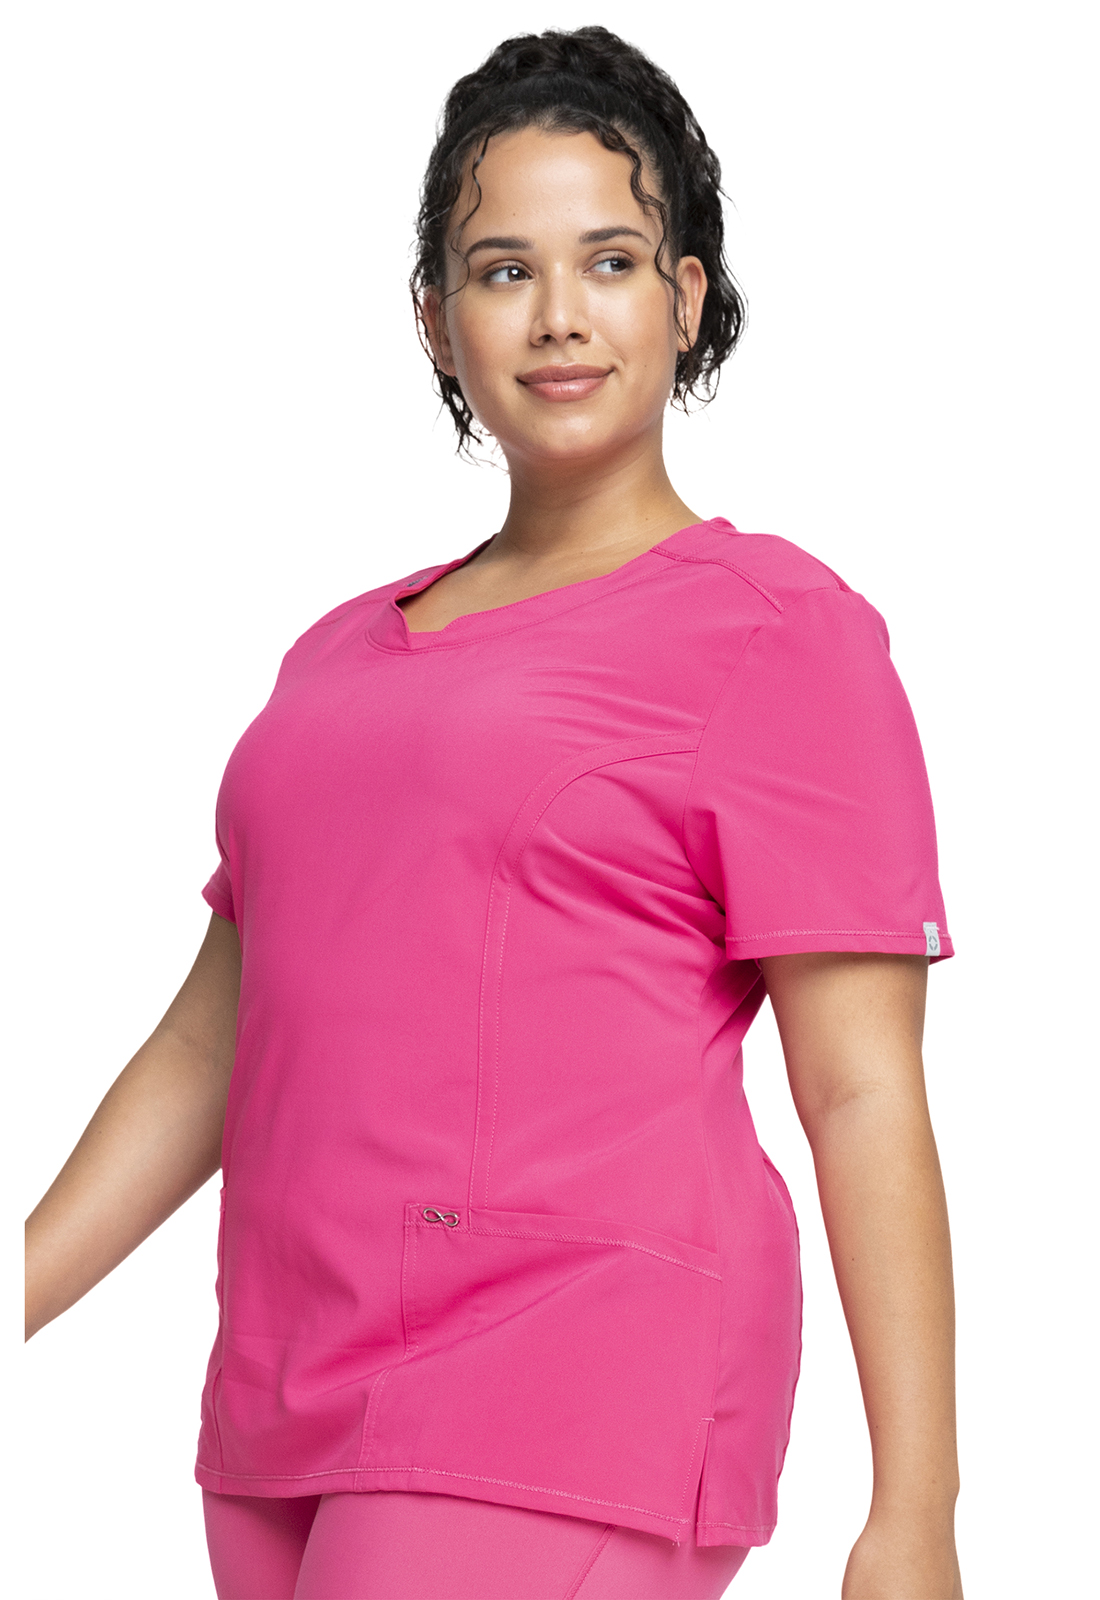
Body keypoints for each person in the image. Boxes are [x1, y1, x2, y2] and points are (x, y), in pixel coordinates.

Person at [24, 26, 964, 1600]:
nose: (559, 315)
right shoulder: (335, 655)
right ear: (434, 319)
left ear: (687, 298)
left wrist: (915, 1514)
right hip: (284, 1390)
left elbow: (862, 1089)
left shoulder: (776, 633)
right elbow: (214, 1037)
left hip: (570, 1376)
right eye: (502, 269)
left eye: (611, 261)